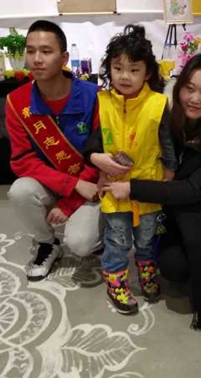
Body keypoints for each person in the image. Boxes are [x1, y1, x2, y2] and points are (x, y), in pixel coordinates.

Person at [103, 54, 201, 330]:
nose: (194, 99)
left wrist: (133, 188)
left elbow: (193, 190)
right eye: (189, 89)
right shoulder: (163, 113)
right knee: (172, 267)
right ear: (179, 87)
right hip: (168, 211)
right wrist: (99, 158)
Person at [81, 25, 177, 315]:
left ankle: (147, 269)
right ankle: (115, 280)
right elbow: (93, 141)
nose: (125, 76)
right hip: (114, 187)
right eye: (118, 68)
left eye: (134, 70)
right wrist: (95, 159)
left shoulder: (158, 103)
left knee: (147, 237)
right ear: (109, 69)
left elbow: (167, 142)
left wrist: (170, 173)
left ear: (147, 73)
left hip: (148, 187)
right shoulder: (101, 102)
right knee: (117, 239)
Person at [5, 20, 102, 281]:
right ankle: (47, 244)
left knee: (81, 244)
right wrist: (70, 184)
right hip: (57, 183)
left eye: (46, 51)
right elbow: (22, 160)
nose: (37, 59)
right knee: (20, 191)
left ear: (64, 58)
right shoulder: (16, 102)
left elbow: (101, 155)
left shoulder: (94, 96)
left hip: (89, 184)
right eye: (31, 51)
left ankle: (100, 232)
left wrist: (70, 203)